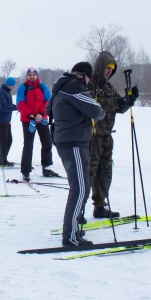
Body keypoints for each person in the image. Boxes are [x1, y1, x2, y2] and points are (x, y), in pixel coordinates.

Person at [49, 62, 105, 246]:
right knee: (80, 188)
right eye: (88, 79)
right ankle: (71, 236)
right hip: (73, 143)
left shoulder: (62, 86)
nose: (88, 84)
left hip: (69, 140)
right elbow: (97, 111)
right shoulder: (75, 86)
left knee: (82, 187)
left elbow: (48, 109)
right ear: (84, 75)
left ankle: (73, 232)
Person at [87, 51, 138, 218]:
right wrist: (117, 102)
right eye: (107, 68)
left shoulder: (109, 87)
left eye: (112, 69)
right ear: (100, 67)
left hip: (107, 136)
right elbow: (95, 105)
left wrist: (128, 100)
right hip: (93, 136)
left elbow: (119, 107)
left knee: (105, 172)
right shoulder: (90, 84)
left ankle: (100, 206)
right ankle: (78, 209)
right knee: (89, 172)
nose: (109, 71)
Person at [16, 67, 59, 181]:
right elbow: (20, 103)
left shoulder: (42, 86)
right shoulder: (23, 87)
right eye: (29, 74)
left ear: (36, 76)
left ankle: (46, 167)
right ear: (27, 76)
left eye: (33, 74)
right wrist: (30, 115)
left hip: (42, 119)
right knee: (28, 145)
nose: (31, 76)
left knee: (47, 142)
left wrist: (41, 113)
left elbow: (48, 101)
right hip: (28, 120)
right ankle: (25, 171)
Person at [0, 77, 18, 166]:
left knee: (9, 140)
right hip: (1, 120)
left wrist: (15, 107)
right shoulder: (1, 93)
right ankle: (3, 160)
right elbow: (3, 107)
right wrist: (17, 107)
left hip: (6, 120)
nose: (13, 87)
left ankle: (4, 158)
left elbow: (8, 105)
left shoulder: (6, 92)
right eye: (12, 85)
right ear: (9, 85)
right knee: (4, 141)